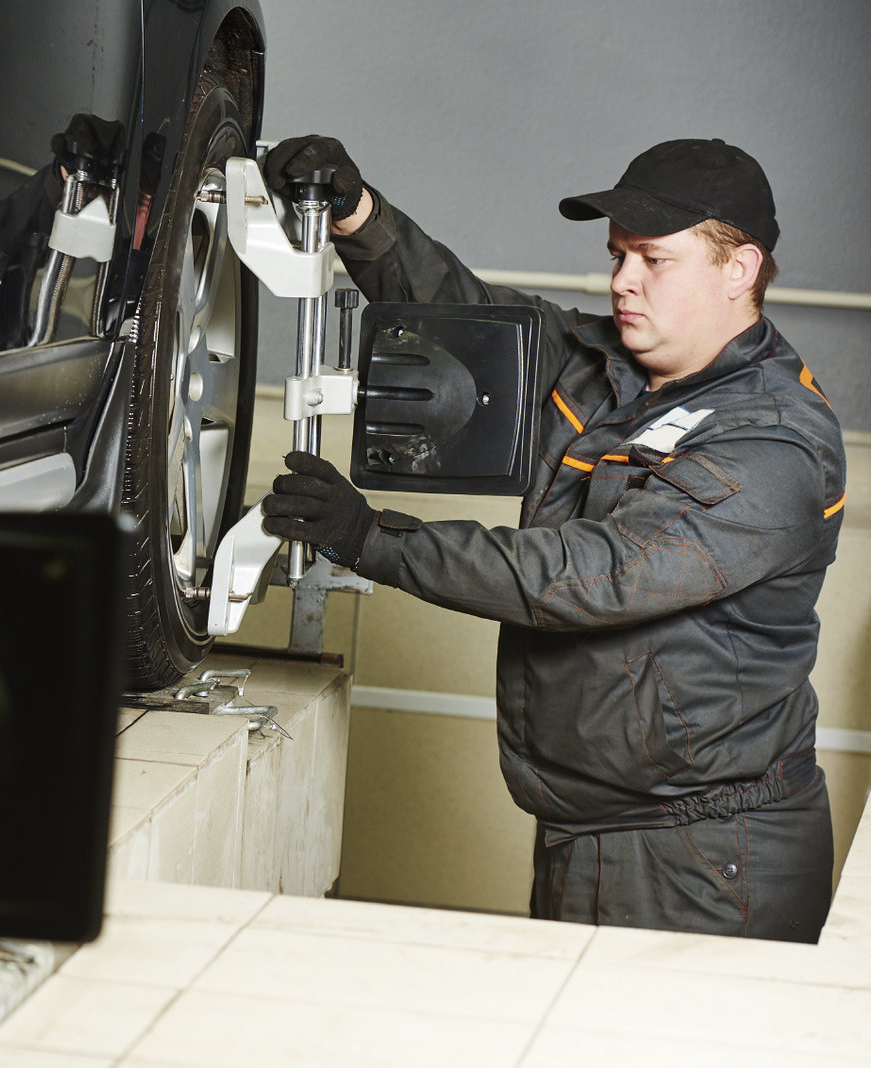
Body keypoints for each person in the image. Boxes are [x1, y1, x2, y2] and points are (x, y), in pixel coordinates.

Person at [260, 135, 845, 942]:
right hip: (588, 826)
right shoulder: (605, 366)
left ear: (739, 269)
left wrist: (375, 540)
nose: (621, 281)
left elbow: (600, 574)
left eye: (653, 260)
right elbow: (463, 316)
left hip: (706, 858)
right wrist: (359, 217)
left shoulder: (773, 442)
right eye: (616, 255)